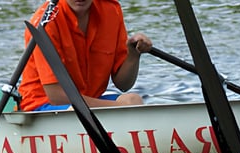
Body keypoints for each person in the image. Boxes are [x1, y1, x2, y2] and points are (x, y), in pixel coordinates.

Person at [18, 0, 152, 111]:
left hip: (88, 104)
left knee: (133, 99)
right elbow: (56, 96)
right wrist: (116, 107)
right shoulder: (44, 23)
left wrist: (133, 56)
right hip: (43, 106)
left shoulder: (111, 10)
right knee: (74, 112)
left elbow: (123, 84)